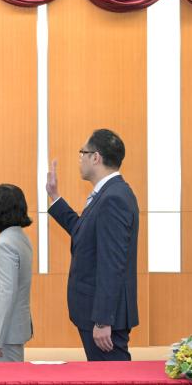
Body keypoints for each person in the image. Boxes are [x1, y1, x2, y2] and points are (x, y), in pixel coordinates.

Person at [46, 128, 139, 361]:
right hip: (96, 313)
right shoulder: (106, 194)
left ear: (95, 157)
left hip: (104, 319)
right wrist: (56, 197)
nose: (80, 159)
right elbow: (83, 234)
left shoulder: (113, 198)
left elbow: (111, 263)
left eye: (82, 153)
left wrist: (103, 319)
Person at [0, 184, 34, 362]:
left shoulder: (4, 244)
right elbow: (1, 267)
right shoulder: (17, 237)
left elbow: (7, 292)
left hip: (5, 335)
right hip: (11, 331)